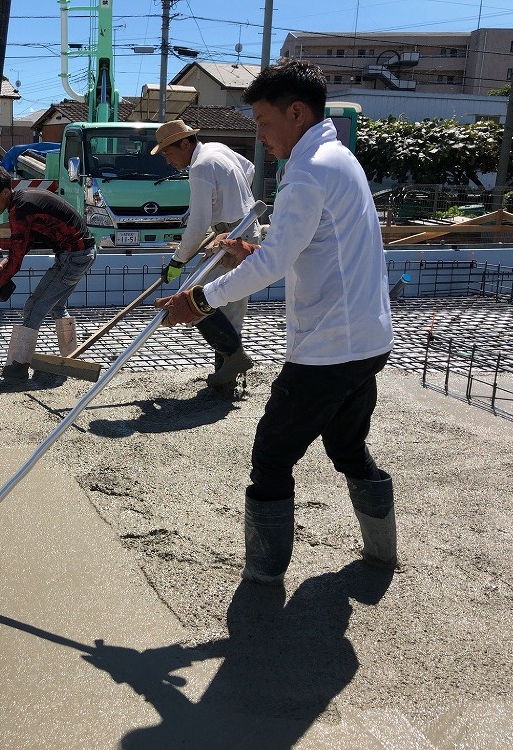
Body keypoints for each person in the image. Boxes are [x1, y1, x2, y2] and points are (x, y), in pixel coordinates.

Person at [154, 59, 396, 585]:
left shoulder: (308, 170)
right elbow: (300, 247)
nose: (259, 136)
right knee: (347, 446)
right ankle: (382, 551)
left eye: (264, 122)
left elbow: (274, 264)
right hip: (368, 337)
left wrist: (196, 301)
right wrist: (250, 249)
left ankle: (263, 577)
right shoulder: (338, 157)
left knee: (270, 458)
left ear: (296, 111)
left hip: (330, 347)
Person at [152, 118, 262, 397]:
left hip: (233, 237)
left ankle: (234, 362)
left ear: (186, 143)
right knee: (230, 309)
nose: (168, 160)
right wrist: (230, 204)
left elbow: (198, 223)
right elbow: (248, 169)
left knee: (195, 301)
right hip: (245, 229)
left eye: (168, 152)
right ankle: (226, 380)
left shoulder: (200, 167)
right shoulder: (218, 148)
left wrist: (178, 260)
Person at [0, 164, 96, 380]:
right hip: (83, 253)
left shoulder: (20, 210)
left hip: (73, 257)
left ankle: (16, 369)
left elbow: (17, 262)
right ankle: (73, 358)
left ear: (5, 192)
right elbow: (24, 244)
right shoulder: (23, 200)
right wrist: (5, 262)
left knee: (34, 306)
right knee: (57, 306)